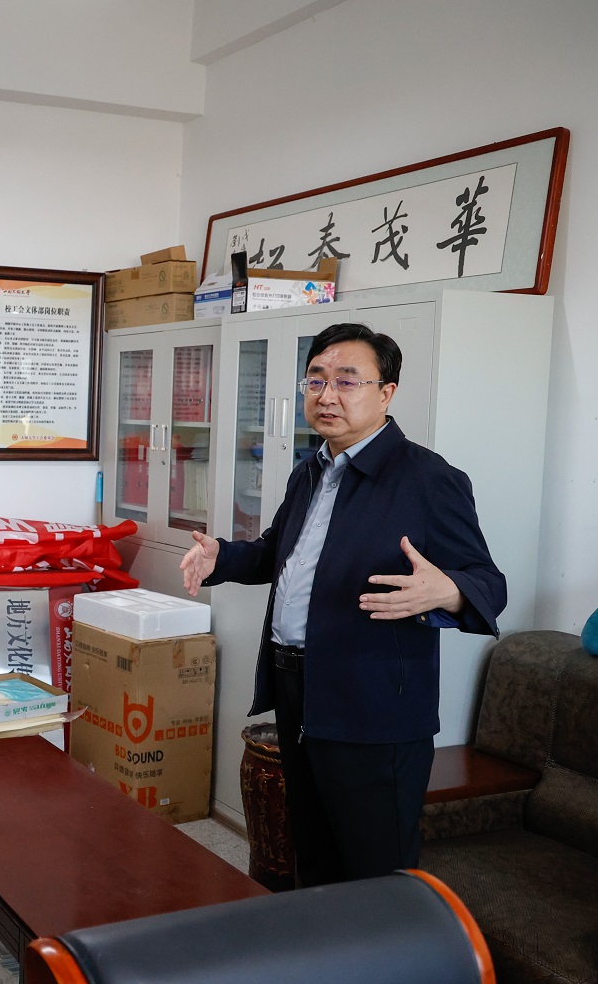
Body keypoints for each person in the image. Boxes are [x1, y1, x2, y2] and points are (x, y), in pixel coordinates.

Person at [179, 322, 505, 887]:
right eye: (316, 380)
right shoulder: (310, 471)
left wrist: (447, 590)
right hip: (296, 687)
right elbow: (277, 554)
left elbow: (488, 583)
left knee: (376, 868)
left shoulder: (429, 479)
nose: (327, 395)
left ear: (386, 393)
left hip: (373, 702)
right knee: (313, 848)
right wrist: (221, 558)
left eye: (347, 381)